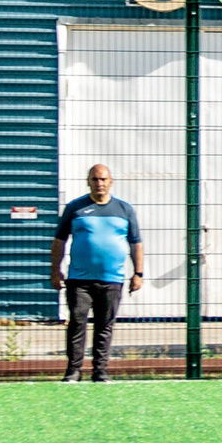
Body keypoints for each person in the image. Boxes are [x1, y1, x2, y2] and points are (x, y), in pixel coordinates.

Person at [51, 164, 143, 382]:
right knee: (77, 324)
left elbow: (136, 243)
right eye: (95, 179)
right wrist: (55, 271)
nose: (99, 184)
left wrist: (138, 273)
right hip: (79, 281)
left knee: (104, 327)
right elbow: (59, 241)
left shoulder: (124, 210)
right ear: (88, 181)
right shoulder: (75, 209)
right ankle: (73, 371)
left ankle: (100, 371)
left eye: (103, 179)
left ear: (110, 182)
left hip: (112, 280)